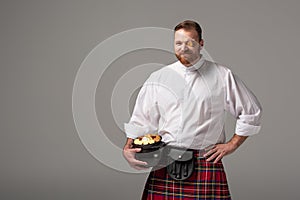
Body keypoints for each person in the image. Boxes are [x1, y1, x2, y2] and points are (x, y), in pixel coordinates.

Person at [123, 20, 262, 199]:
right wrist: (128, 146)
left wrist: (232, 145)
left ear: (201, 44)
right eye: (178, 43)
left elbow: (251, 112)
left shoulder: (221, 75)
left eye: (190, 42)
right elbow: (141, 120)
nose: (184, 48)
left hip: (206, 161)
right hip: (166, 160)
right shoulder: (159, 78)